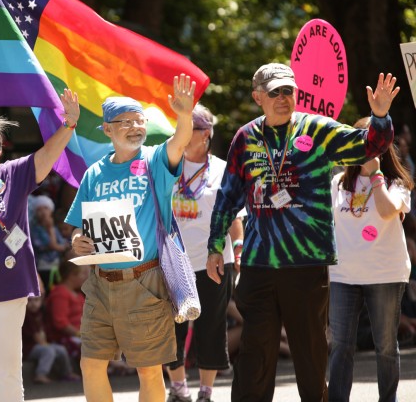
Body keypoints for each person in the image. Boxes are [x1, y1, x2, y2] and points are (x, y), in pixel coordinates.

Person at [206, 64, 400, 402]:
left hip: (307, 265)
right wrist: (214, 245)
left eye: (288, 91)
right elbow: (227, 196)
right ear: (258, 97)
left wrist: (380, 117)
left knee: (311, 360)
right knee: (254, 359)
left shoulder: (317, 129)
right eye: (274, 92)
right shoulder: (245, 137)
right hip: (259, 264)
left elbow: (368, 147)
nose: (283, 98)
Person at [67, 74, 196, 401]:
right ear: (108, 129)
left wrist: (184, 115)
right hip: (99, 284)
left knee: (149, 370)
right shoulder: (93, 173)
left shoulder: (154, 159)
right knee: (90, 365)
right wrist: (77, 239)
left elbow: (180, 142)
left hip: (144, 282)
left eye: (140, 121)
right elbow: (79, 226)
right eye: (126, 122)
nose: (136, 127)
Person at [0, 89, 79, 402]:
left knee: (8, 370)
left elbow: (48, 154)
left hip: (8, 286)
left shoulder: (11, 174)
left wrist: (69, 124)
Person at [328, 116, 414, 402]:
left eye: (372, 139)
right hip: (343, 276)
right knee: (341, 345)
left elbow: (389, 211)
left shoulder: (397, 182)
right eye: (360, 139)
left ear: (384, 145)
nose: (365, 145)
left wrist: (376, 175)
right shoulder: (338, 183)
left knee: (386, 346)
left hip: (385, 274)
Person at [166, 103, 245, 402]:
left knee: (211, 327)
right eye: (181, 125)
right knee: (172, 328)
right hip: (173, 261)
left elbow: (234, 217)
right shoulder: (168, 164)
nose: (184, 132)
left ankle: (206, 392)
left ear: (206, 134)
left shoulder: (224, 170)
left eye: (193, 127)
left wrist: (238, 250)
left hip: (214, 261)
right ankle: (178, 389)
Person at [21, 295, 80, 385]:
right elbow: (35, 336)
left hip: (43, 344)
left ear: (41, 301)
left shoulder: (43, 314)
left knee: (61, 349)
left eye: (36, 300)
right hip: (28, 348)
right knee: (49, 350)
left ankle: (67, 373)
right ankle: (40, 374)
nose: (33, 304)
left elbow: (47, 333)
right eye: (30, 301)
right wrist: (44, 342)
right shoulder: (25, 316)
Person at [30, 194, 71, 288]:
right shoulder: (35, 230)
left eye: (45, 208)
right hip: (43, 266)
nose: (43, 212)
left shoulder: (55, 228)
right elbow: (52, 246)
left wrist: (51, 229)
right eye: (39, 209)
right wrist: (50, 229)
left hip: (56, 265)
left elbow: (62, 244)